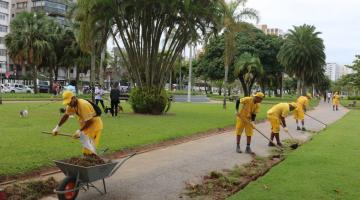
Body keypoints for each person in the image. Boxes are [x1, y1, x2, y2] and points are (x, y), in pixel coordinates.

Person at [52, 91, 103, 155]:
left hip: (94, 127)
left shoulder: (83, 105)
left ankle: (94, 161)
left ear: (74, 98)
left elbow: (90, 121)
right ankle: (90, 160)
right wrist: (57, 127)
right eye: (67, 103)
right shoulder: (71, 105)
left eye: (69, 102)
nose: (69, 104)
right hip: (87, 128)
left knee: (89, 151)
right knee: (87, 150)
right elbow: (66, 115)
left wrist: (80, 131)